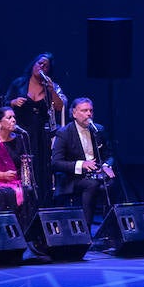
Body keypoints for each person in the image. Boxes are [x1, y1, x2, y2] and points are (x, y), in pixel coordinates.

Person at [6, 52, 65, 204]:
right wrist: (13, 102)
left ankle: (40, 203)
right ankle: (22, 203)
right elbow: (5, 104)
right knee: (21, 166)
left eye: (45, 66)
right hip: (21, 132)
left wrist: (51, 90)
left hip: (40, 134)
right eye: (39, 63)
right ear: (33, 64)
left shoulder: (50, 88)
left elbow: (59, 107)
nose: (41, 67)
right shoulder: (19, 83)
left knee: (39, 168)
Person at [52, 97, 115, 232]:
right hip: (73, 178)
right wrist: (82, 165)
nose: (89, 114)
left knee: (112, 183)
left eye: (91, 111)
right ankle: (85, 230)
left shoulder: (98, 130)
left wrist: (105, 166)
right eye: (84, 110)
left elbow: (109, 155)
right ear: (74, 113)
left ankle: (110, 230)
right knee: (91, 185)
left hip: (96, 174)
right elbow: (56, 163)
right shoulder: (64, 133)